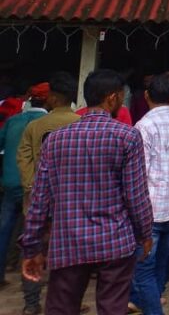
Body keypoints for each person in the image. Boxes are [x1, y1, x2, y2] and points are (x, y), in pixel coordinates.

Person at [21, 69, 153, 315]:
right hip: (115, 239)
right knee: (113, 307)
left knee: (61, 308)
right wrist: (145, 233)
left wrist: (32, 246)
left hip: (68, 241)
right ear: (112, 98)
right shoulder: (127, 137)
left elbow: (40, 200)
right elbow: (136, 196)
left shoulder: (55, 140)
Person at [129, 72, 169, 315]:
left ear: (146, 96)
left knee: (144, 270)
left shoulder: (143, 127)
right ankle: (150, 304)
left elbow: (139, 172)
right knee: (160, 268)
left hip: (149, 211)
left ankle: (152, 309)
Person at [15, 72, 80, 314]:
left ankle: (32, 303)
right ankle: (69, 300)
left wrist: (33, 188)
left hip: (36, 203)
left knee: (32, 250)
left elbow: (23, 158)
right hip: (72, 205)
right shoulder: (79, 123)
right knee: (68, 257)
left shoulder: (35, 126)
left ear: (51, 99)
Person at [0, 84, 47, 288]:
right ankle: (30, 285)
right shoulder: (46, 123)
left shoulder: (12, 121)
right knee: (34, 233)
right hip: (35, 186)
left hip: (10, 182)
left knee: (4, 230)